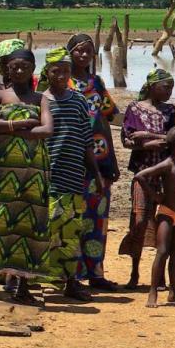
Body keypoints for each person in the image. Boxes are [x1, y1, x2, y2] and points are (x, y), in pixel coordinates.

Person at [0, 48, 53, 309]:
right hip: (3, 171)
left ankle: (23, 287)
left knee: (27, 229)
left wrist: (9, 129)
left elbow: (47, 129)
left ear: (33, 70)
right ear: (7, 69)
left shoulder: (41, 98)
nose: (19, 71)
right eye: (14, 67)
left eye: (24, 67)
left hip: (33, 172)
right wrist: (21, 125)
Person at [39, 47, 104, 302]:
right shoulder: (40, 100)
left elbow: (87, 140)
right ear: (47, 72)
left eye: (66, 71)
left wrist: (96, 174)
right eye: (57, 70)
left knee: (70, 229)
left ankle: (70, 281)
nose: (61, 75)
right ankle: (42, 279)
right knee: (47, 227)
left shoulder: (78, 100)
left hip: (74, 173)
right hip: (47, 172)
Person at [62, 34, 120, 291]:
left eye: (88, 52)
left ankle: (96, 274)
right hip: (70, 156)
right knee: (71, 216)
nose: (84, 56)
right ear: (70, 53)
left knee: (98, 217)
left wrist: (113, 161)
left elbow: (106, 119)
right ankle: (69, 276)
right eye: (79, 51)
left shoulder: (97, 82)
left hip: (100, 156)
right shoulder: (60, 80)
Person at [118, 69, 175, 289]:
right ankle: (134, 272)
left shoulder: (170, 110)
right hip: (142, 173)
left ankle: (158, 276)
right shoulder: (135, 108)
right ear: (153, 86)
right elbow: (127, 140)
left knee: (164, 222)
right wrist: (151, 142)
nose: (170, 91)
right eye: (166, 87)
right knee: (140, 221)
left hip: (164, 173)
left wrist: (147, 137)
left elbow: (173, 138)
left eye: (172, 87)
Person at [133, 126, 175, 308]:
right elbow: (141, 176)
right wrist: (155, 196)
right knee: (162, 252)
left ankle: (174, 292)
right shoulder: (168, 164)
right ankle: (152, 292)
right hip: (167, 213)